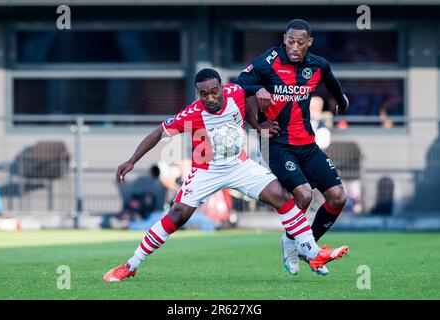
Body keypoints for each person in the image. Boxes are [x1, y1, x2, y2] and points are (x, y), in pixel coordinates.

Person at [103, 68, 348, 282]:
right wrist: (131, 160)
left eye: (214, 92)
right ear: (198, 93)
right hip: (206, 170)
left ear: (221, 87)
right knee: (177, 215)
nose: (210, 98)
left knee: (280, 195)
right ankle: (131, 265)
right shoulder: (192, 113)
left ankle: (313, 254)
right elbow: (158, 133)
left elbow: (257, 92)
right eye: (204, 94)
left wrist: (258, 123)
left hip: (240, 166)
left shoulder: (236, 93)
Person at [233, 19, 350, 276]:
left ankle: (301, 245)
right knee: (304, 194)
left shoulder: (318, 65)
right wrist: (258, 90)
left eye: (300, 42)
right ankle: (296, 245)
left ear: (309, 42)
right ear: (284, 38)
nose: (294, 47)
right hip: (279, 145)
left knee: (338, 197)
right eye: (290, 41)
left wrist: (340, 101)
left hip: (308, 144)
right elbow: (236, 85)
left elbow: (330, 80)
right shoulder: (269, 60)